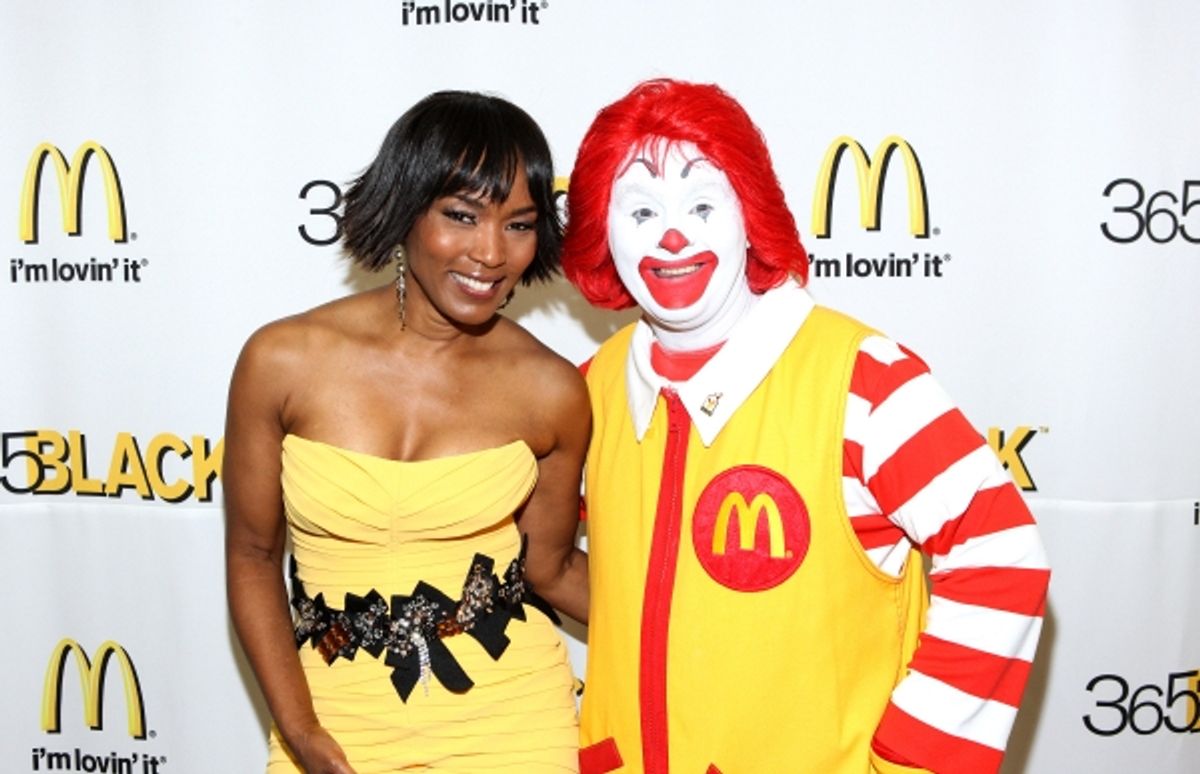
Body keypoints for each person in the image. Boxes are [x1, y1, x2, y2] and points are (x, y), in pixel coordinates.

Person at [561, 78, 1050, 774]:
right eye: (640, 211)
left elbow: (1001, 554)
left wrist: (916, 757)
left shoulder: (865, 380)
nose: (672, 236)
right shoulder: (591, 389)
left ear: (749, 214)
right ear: (601, 233)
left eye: (702, 204)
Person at [223, 90, 588, 773]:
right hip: (331, 714)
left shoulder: (551, 389)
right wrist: (302, 733)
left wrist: (715, 627)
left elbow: (553, 568)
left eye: (519, 224)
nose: (490, 253)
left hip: (511, 720)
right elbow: (250, 556)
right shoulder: (282, 361)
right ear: (404, 207)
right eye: (461, 215)